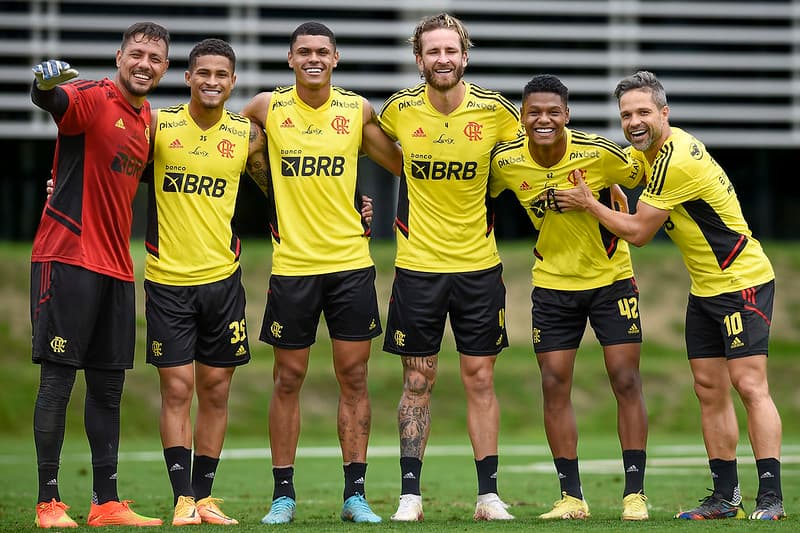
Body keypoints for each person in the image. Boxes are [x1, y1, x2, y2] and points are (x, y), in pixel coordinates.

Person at [555, 70, 785, 521]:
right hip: (704, 288)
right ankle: (725, 499)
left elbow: (639, 232)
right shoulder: (647, 154)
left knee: (749, 384)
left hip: (743, 281)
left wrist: (589, 203)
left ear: (665, 113)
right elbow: (615, 168)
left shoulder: (676, 158)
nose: (634, 122)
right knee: (707, 388)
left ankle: (772, 499)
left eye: (643, 112)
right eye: (626, 115)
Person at [240, 22, 402, 524]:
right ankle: (283, 496)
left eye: (322, 52)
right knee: (287, 378)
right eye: (304, 51)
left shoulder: (356, 110)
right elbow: (225, 149)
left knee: (354, 376)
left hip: (351, 265)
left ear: (336, 58)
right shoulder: (265, 107)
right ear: (290, 59)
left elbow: (402, 163)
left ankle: (355, 495)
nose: (313, 58)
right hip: (292, 267)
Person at [378, 13, 519, 522]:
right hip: (417, 267)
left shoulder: (498, 113)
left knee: (480, 379)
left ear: (464, 56)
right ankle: (409, 497)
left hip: (480, 267)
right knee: (417, 380)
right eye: (432, 51)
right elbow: (352, 149)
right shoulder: (397, 110)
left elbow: (540, 152)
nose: (443, 59)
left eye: (450, 51)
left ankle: (488, 497)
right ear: (420, 59)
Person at [488, 74, 650, 521]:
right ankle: (571, 497)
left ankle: (634, 494)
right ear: (522, 116)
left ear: (566, 115)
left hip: (611, 280)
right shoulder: (504, 161)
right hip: (553, 286)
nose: (544, 119)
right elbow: (473, 194)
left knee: (625, 379)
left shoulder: (599, 153)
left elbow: (651, 171)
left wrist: (618, 200)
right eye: (534, 112)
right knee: (554, 384)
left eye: (553, 112)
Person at [29, 22, 169, 528]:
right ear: (118, 56)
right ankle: (48, 503)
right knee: (57, 382)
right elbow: (55, 102)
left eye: (154, 58)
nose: (144, 64)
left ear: (165, 67)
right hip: (68, 258)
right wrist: (44, 84)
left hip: (116, 268)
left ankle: (106, 503)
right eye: (137, 54)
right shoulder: (93, 95)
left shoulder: (148, 118)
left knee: (108, 388)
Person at [143, 38, 269, 527]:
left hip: (223, 281)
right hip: (167, 281)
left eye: (222, 75)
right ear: (188, 77)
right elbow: (113, 169)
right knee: (177, 388)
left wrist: (358, 204)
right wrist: (61, 186)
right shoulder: (158, 125)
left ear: (233, 82)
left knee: (215, 389)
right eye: (204, 73)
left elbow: (282, 190)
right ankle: (182, 499)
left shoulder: (246, 136)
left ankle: (206, 496)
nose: (213, 81)